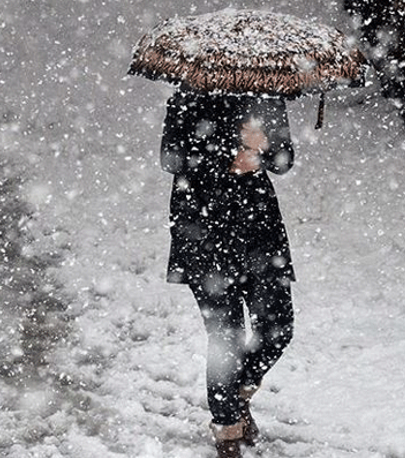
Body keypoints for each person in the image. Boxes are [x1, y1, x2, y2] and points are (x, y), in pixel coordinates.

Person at [160, 85, 296, 458]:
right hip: (204, 232)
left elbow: (284, 160)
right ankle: (227, 433)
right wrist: (229, 152)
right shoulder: (189, 95)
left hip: (259, 233)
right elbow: (171, 159)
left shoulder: (267, 95)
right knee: (227, 339)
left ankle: (236, 396)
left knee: (277, 328)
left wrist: (263, 148)